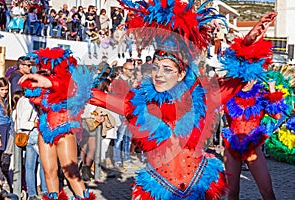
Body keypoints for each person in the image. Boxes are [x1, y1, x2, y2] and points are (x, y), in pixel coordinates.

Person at [17, 1, 277, 199]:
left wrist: (251, 39)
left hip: (199, 186)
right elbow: (92, 96)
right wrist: (52, 81)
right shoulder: (137, 104)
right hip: (157, 189)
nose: (159, 74)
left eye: (167, 69)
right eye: (156, 67)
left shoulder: (203, 98)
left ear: (182, 73)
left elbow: (238, 79)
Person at [18, 48, 96, 199]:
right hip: (45, 129)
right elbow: (33, 94)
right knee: (49, 172)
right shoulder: (40, 83)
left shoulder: (69, 83)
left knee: (71, 173)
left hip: (64, 129)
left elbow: (69, 89)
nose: (45, 68)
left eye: (50, 65)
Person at [222, 79, 285, 200]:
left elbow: (276, 115)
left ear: (255, 77)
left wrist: (272, 90)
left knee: (267, 190)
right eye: (243, 77)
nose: (246, 82)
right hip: (232, 147)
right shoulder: (229, 94)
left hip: (252, 148)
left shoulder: (261, 95)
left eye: (250, 78)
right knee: (232, 192)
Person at [15, 91, 47, 199]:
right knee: (44, 163)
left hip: (27, 135)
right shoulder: (28, 102)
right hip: (33, 133)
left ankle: (32, 193)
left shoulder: (21, 100)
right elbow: (24, 122)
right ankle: (45, 191)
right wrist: (35, 123)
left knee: (30, 166)